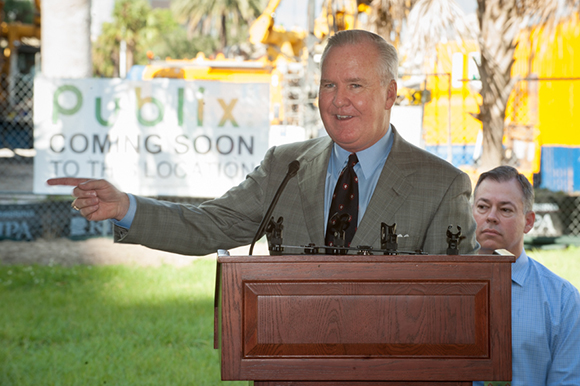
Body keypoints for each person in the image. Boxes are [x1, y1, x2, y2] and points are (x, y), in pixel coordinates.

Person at [47, 29, 477, 256]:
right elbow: (212, 224)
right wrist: (126, 207)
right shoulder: (285, 166)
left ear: (389, 94)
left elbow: (461, 302)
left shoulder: (442, 185)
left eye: (355, 85)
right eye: (329, 84)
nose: (338, 100)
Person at [472, 166, 580, 386]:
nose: (491, 217)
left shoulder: (563, 301)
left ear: (529, 221)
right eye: (483, 207)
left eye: (505, 209)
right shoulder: (444, 288)